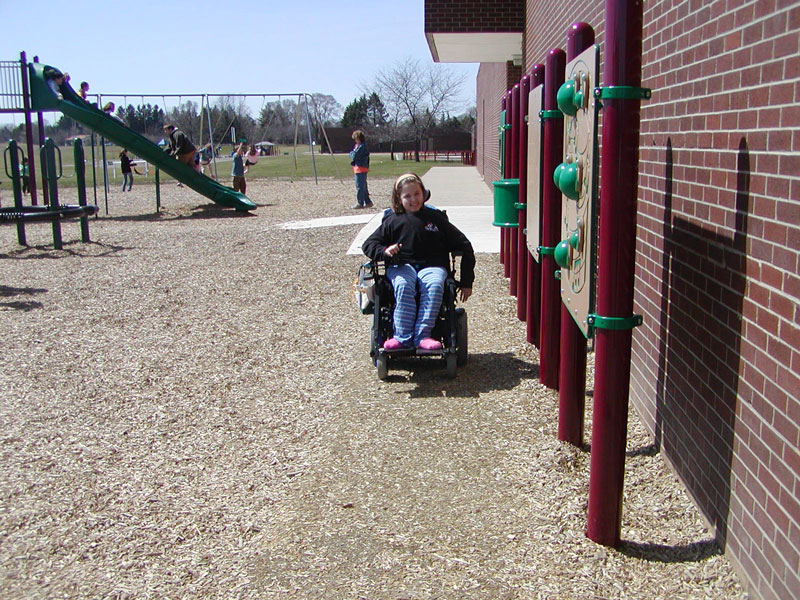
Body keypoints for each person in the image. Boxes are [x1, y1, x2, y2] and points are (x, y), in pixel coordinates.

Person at [362, 173, 475, 351]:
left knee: (435, 285)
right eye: (407, 196)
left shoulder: (436, 218)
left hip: (432, 265)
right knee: (403, 284)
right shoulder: (392, 220)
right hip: (401, 265)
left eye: (417, 194)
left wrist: (467, 281)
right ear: (399, 198)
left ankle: (423, 336)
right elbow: (369, 244)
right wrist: (385, 251)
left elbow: (464, 245)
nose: (413, 199)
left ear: (423, 193)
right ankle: (402, 337)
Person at [349, 130, 373, 209]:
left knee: (359, 186)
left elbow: (354, 156)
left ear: (358, 138)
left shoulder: (362, 146)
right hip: (360, 167)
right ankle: (368, 202)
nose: (355, 141)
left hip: (361, 168)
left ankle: (360, 203)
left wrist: (352, 152)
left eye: (355, 139)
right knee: (363, 186)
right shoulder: (360, 146)